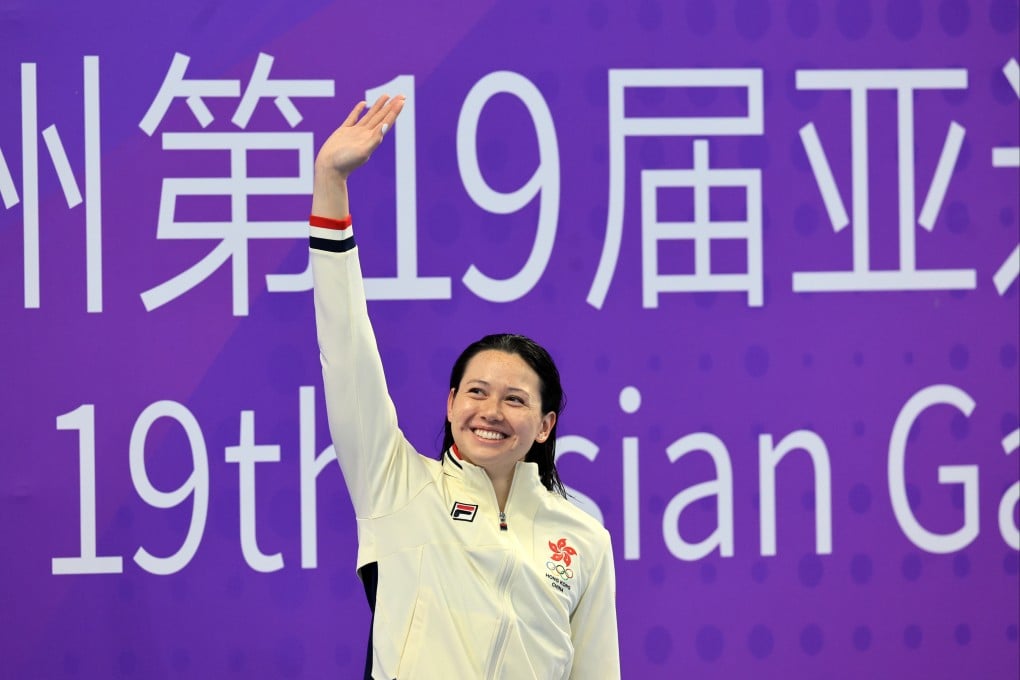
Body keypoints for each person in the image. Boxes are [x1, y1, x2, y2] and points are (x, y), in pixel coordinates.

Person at [309, 95, 620, 679]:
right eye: (475, 392)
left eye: (515, 399)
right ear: (450, 405)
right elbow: (347, 351)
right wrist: (330, 185)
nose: (491, 411)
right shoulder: (396, 488)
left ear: (546, 424)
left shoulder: (583, 540)